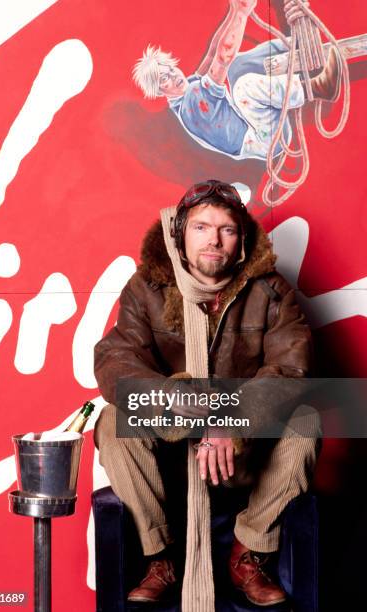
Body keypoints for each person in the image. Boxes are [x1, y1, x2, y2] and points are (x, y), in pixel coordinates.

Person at [94, 179, 320, 610]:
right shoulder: (146, 287)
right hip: (171, 460)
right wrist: (181, 404)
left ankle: (248, 550)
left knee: (306, 417)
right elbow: (115, 361)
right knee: (112, 420)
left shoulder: (271, 291)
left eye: (226, 230)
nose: (213, 240)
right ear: (180, 235)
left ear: (241, 242)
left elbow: (292, 371)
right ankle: (159, 557)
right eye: (201, 227)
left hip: (246, 461)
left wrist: (230, 420)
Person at [132, 0, 341, 161]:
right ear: (160, 91)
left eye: (170, 69)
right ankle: (317, 87)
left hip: (260, 128)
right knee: (242, 86)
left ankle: (296, 48)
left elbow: (212, 53)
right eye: (164, 79)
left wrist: (234, 11)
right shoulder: (190, 102)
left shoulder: (189, 90)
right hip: (265, 140)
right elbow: (221, 59)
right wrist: (241, 13)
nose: (174, 75)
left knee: (237, 66)